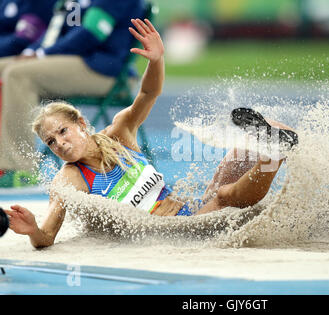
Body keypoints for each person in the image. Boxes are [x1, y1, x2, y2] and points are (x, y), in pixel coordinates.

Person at [3, 19, 298, 249]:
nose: (60, 144)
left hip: (188, 210)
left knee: (237, 156)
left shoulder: (118, 133)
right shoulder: (69, 180)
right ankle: (274, 156)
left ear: (81, 122)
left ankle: (273, 142)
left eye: (63, 131)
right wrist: (32, 231)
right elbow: (48, 235)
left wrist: (156, 60)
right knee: (224, 197)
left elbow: (148, 91)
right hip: (178, 234)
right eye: (50, 142)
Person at [0, 0, 145, 186]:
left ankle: (19, 169)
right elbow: (55, 30)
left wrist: (43, 54)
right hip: (74, 58)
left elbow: (91, 34)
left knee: (18, 75)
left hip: (103, 68)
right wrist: (32, 51)